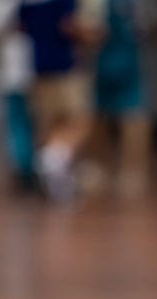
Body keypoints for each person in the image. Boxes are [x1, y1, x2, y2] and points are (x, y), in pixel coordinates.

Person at [18, 0, 101, 200]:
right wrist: (90, 36)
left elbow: (21, 26)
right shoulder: (64, 2)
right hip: (66, 67)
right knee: (80, 120)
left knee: (50, 125)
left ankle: (56, 182)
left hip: (39, 66)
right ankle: (52, 158)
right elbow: (69, 26)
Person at [93, 0, 157, 197]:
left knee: (134, 115)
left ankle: (133, 171)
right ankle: (102, 169)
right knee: (101, 115)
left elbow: (153, 27)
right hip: (105, 60)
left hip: (129, 59)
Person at [0, 0, 36, 188]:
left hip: (31, 73)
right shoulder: (5, 5)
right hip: (16, 74)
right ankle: (25, 168)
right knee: (19, 122)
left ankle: (29, 167)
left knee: (23, 122)